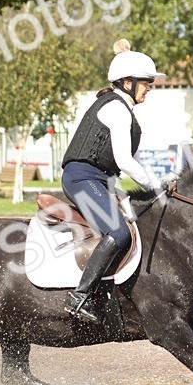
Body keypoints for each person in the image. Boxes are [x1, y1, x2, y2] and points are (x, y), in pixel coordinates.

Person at [61, 39, 168, 322]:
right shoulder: (116, 109)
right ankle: (80, 296)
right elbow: (125, 162)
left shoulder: (124, 108)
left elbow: (118, 165)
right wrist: (156, 184)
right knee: (119, 232)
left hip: (100, 180)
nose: (149, 87)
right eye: (146, 82)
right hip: (81, 178)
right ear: (127, 82)